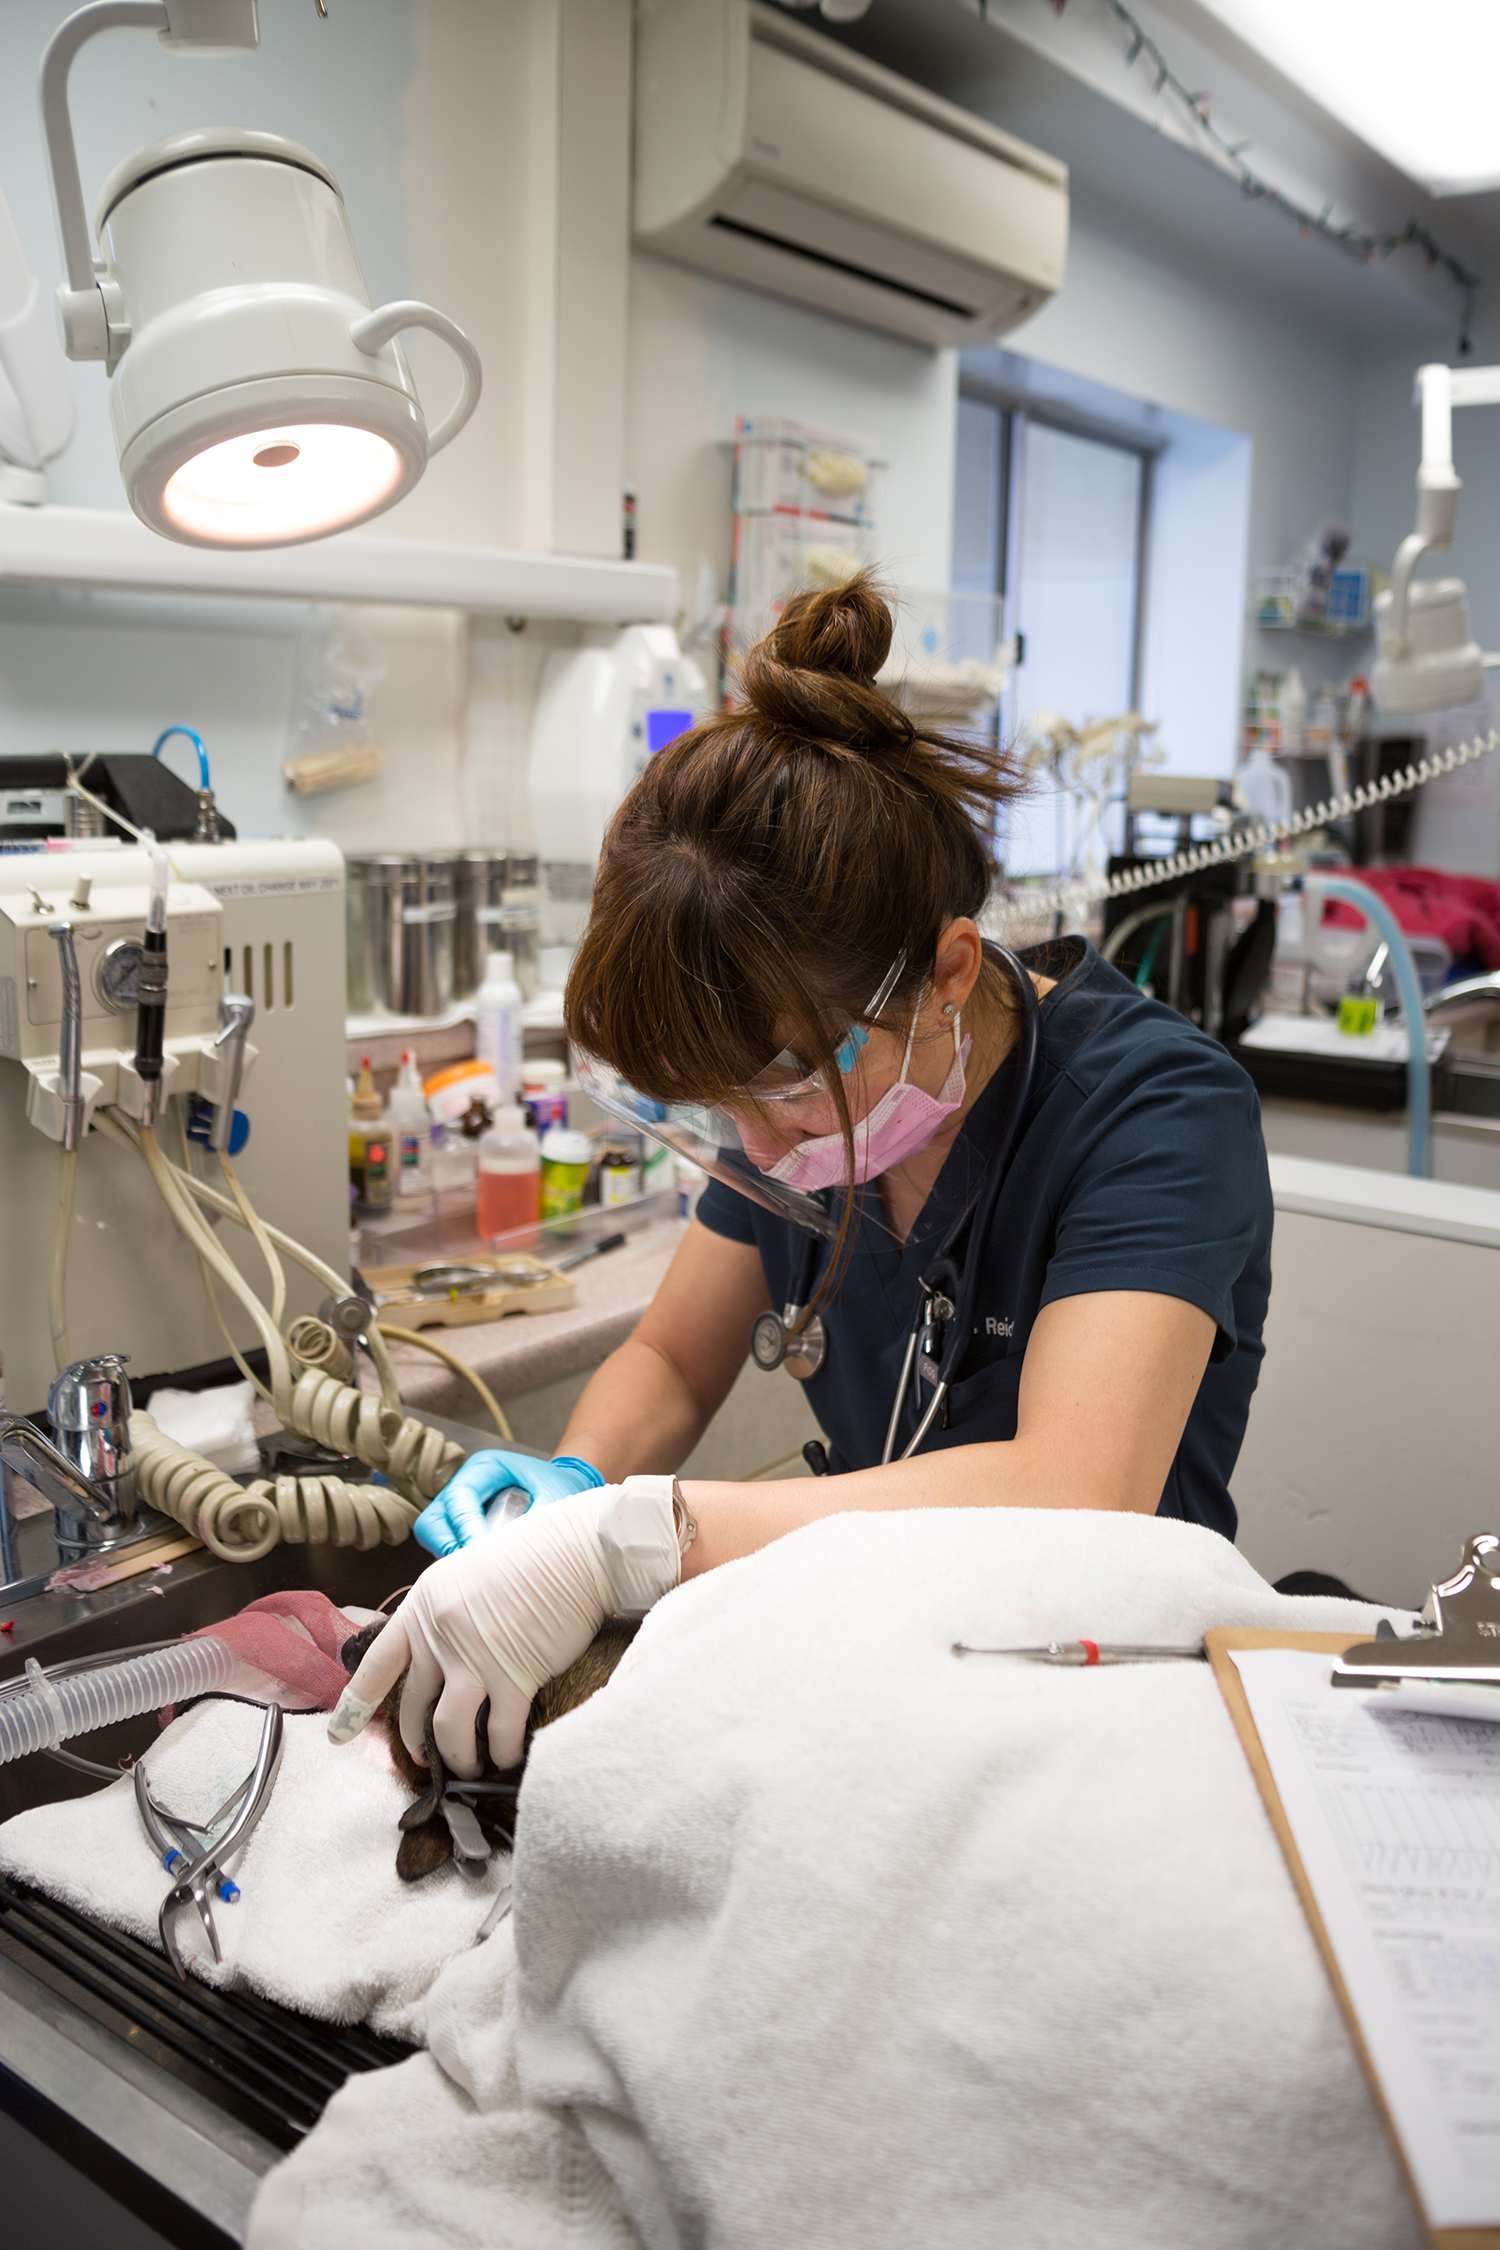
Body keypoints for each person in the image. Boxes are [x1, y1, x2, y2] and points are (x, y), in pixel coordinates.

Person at [332, 574, 1272, 1776]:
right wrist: (572, 1490)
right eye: (720, 1110)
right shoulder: (807, 1106)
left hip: (1102, 1708)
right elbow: (673, 1359)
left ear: (945, 969)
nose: (761, 1151)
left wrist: (644, 1535)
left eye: (782, 1089)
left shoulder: (1157, 1111)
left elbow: (1072, 1488)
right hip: (873, 1669)